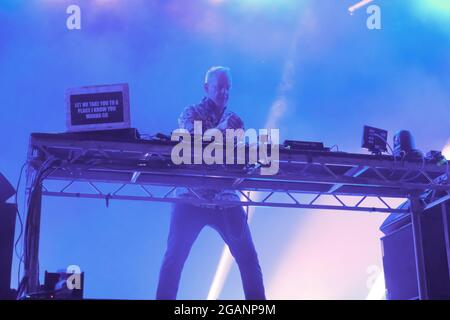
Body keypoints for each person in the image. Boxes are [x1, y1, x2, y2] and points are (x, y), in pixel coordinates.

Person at [156, 66, 266, 300]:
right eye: (219, 87)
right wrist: (221, 130)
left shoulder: (235, 120)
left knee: (248, 260)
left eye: (227, 88)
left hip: (225, 200)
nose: (224, 92)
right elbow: (191, 143)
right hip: (190, 197)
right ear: (207, 88)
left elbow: (235, 159)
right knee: (174, 259)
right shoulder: (190, 112)